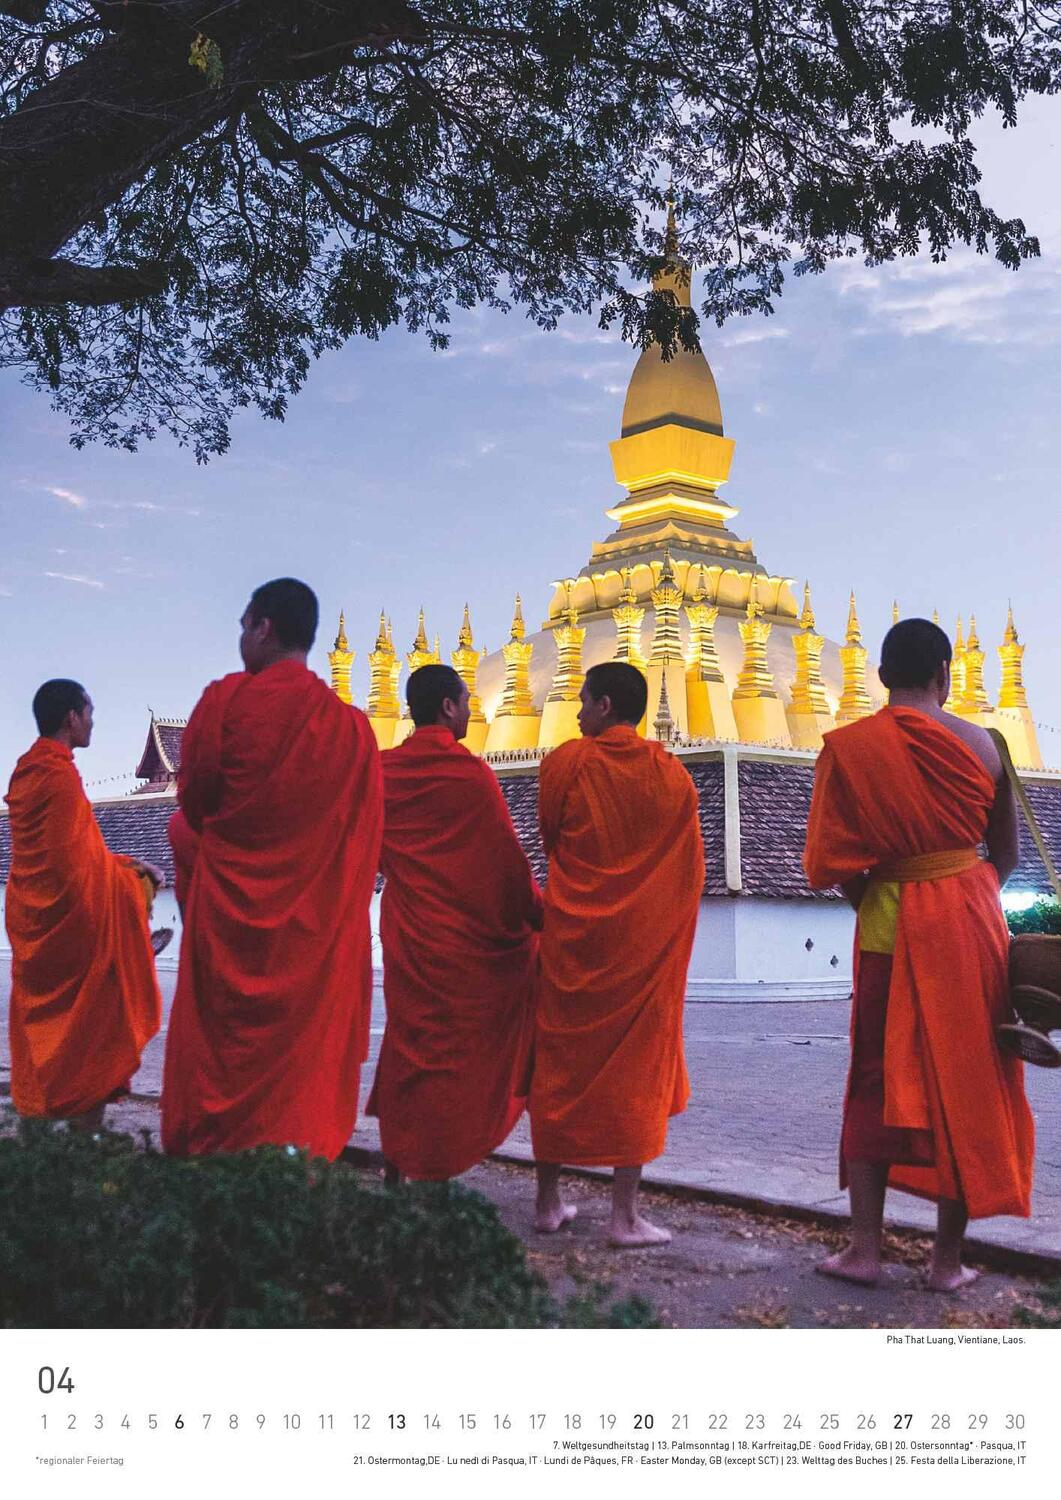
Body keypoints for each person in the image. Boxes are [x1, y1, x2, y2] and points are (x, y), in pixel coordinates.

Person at [803, 618, 1034, 1292]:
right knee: (967, 1077)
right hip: (969, 919)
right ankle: (944, 1263)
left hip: (887, 918)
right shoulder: (984, 744)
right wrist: (960, 890)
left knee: (874, 1077)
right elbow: (1009, 855)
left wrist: (886, 895)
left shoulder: (850, 747)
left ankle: (865, 1252)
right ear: (944, 674)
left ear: (879, 676)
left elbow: (829, 861)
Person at [161, 578, 383, 1161]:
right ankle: (295, 1179)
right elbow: (364, 833)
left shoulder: (225, 702)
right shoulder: (353, 729)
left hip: (229, 923)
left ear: (263, 627)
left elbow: (197, 803)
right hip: (312, 937)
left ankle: (211, 1177)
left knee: (221, 1054)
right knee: (299, 1069)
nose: (240, 636)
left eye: (243, 624)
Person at [529, 661, 704, 1246]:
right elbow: (688, 872)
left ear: (605, 706)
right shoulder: (672, 776)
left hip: (572, 944)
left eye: (582, 702)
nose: (576, 713)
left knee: (557, 1068)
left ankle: (548, 1201)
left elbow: (553, 841)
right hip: (642, 951)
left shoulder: (565, 765)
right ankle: (623, 1216)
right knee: (638, 1075)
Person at [367, 663, 542, 1181]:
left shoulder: (380, 770)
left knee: (411, 1042)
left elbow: (365, 846)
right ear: (448, 707)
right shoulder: (469, 775)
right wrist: (540, 916)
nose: (472, 711)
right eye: (467, 701)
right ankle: (438, 1162)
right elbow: (506, 862)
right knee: (456, 1057)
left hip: (410, 934)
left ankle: (402, 1161)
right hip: (464, 943)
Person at [4, 680, 163, 1130]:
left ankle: (43, 1135)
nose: (93, 721)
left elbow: (76, 856)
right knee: (94, 1023)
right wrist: (133, 882)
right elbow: (76, 873)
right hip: (71, 927)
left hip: (32, 917)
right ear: (71, 718)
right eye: (89, 712)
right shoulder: (58, 777)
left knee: (50, 1028)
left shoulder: (27, 773)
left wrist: (129, 864)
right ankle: (83, 1136)